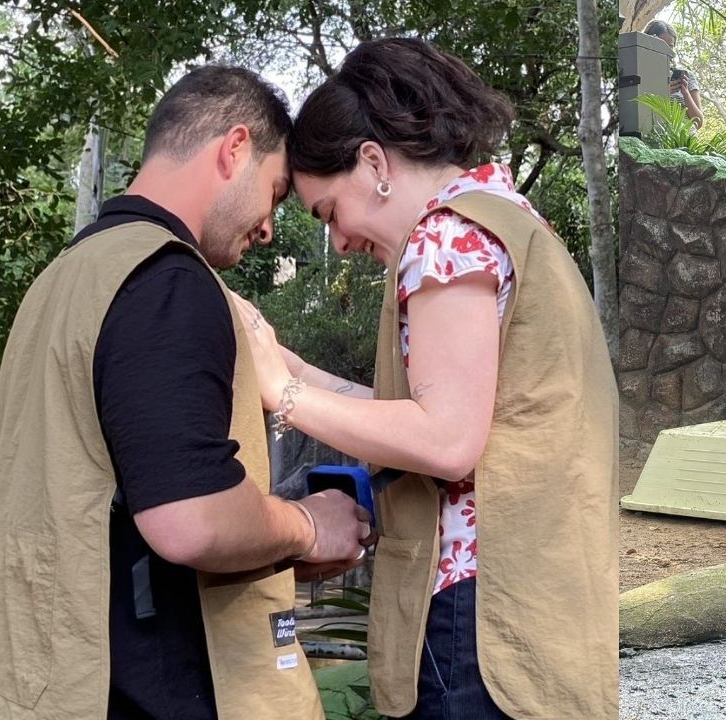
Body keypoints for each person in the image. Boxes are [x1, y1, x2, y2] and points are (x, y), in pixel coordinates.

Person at [237, 38, 618, 720]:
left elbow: (445, 440)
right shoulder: (506, 220)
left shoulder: (444, 238)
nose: (340, 241)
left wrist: (285, 397)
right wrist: (298, 372)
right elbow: (443, 412)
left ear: (375, 163)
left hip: (473, 614)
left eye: (328, 213)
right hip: (532, 592)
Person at [0, 66, 373, 720]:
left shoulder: (64, 280)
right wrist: (307, 525)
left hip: (47, 680)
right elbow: (189, 519)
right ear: (234, 148)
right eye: (274, 194)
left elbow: (109, 508)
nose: (269, 229)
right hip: (144, 690)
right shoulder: (165, 280)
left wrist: (271, 549)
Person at [645, 20, 704, 128]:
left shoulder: (687, 76)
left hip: (686, 139)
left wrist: (685, 93)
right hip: (654, 140)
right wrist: (661, 93)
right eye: (661, 45)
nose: (667, 50)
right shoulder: (639, 76)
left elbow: (699, 122)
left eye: (670, 46)